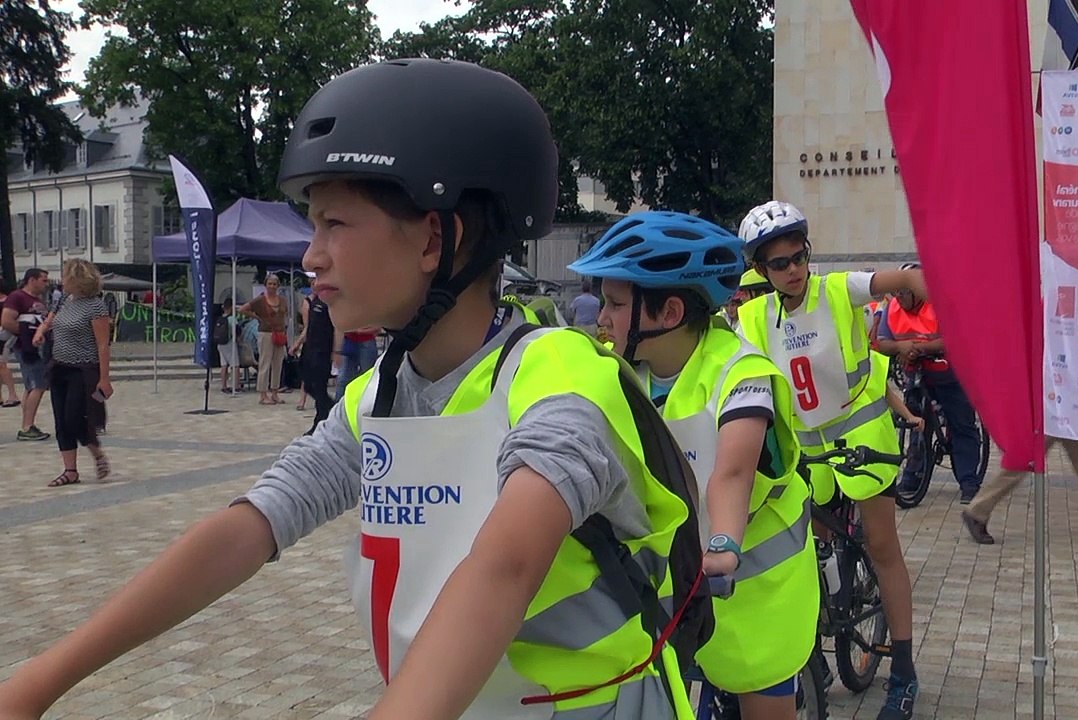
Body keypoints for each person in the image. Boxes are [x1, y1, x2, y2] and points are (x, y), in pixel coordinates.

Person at [0, 59, 705, 719]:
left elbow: (506, 565)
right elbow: (247, 529)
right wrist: (40, 679)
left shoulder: (562, 379)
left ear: (434, 239)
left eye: (335, 222)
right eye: (312, 225)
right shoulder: (380, 397)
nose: (311, 256)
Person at [570, 211, 818, 720]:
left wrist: (724, 544)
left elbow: (732, 472)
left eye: (616, 304)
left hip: (753, 592)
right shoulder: (621, 371)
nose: (602, 318)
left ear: (669, 311)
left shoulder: (740, 371)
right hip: (675, 594)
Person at [735, 200, 926, 720]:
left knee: (883, 547)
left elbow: (894, 278)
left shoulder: (837, 289)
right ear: (760, 270)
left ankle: (904, 673)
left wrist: (926, 281)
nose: (794, 270)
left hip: (863, 441)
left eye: (799, 257)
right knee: (809, 554)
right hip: (807, 457)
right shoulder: (751, 318)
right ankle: (815, 640)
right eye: (780, 264)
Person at [877, 262, 985, 503]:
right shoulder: (892, 308)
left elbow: (953, 339)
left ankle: (969, 481)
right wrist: (900, 347)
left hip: (949, 372)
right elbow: (882, 342)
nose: (899, 297)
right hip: (915, 374)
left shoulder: (940, 304)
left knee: (961, 424)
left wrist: (919, 348)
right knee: (914, 423)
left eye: (904, 291)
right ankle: (913, 476)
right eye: (897, 291)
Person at [32, 260, 113, 487]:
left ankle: (96, 452)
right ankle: (70, 470)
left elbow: (103, 345)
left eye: (65, 276)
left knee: (74, 418)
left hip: (83, 369)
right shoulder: (64, 301)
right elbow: (50, 319)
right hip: (59, 367)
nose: (61, 280)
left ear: (76, 279)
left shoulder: (96, 307)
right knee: (61, 421)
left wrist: (104, 378)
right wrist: (40, 331)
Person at [2, 267, 53, 440]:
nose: (46, 284)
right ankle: (27, 426)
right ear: (32, 280)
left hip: (39, 347)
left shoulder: (38, 300)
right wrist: (27, 337)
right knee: (38, 385)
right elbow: (7, 320)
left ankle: (28, 423)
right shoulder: (17, 297)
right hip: (27, 348)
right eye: (43, 280)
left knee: (32, 386)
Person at [291, 273, 341, 434]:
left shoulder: (328, 304)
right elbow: (308, 327)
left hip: (323, 351)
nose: (314, 284)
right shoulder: (313, 302)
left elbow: (336, 329)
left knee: (319, 386)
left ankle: (320, 420)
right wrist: (298, 343)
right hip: (309, 348)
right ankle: (330, 406)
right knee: (307, 383)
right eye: (312, 282)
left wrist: (335, 352)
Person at [240, 274, 289, 405]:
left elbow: (285, 315)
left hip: (280, 333)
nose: (272, 286)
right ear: (266, 285)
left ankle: (274, 392)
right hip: (266, 333)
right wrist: (257, 317)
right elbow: (243, 309)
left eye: (274, 284)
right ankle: (263, 394)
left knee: (278, 363)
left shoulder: (283, 300)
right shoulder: (260, 300)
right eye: (270, 283)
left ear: (278, 286)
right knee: (265, 363)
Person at [335, 325, 379, 398]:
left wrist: (359, 330)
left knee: (368, 376)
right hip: (349, 340)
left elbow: (378, 327)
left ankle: (367, 402)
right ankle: (338, 404)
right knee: (344, 378)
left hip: (366, 339)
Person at [0, 279, 23, 408]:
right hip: (3, 335)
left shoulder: (8, 302)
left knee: (2, 365)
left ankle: (12, 395)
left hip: (4, 336)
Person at [213, 298, 242, 394]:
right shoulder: (232, 319)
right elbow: (237, 331)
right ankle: (236, 386)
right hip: (230, 343)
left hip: (220, 344)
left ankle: (224, 385)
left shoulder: (220, 318)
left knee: (224, 365)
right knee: (235, 365)